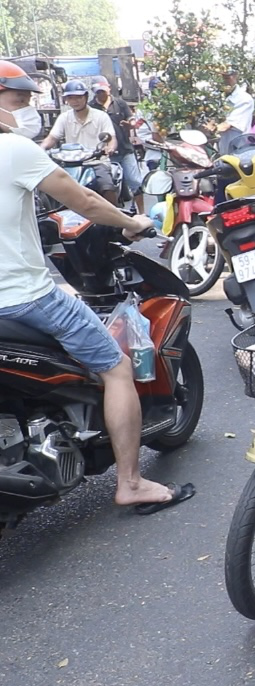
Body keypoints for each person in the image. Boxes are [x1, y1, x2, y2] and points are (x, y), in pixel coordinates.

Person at [0, 65, 195, 514]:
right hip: (27, 298)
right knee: (116, 368)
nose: (29, 107)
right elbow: (83, 201)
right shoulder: (13, 149)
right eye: (19, 99)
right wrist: (133, 222)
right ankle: (131, 482)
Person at [40, 80, 120, 204]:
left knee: (107, 186)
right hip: (70, 164)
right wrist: (41, 148)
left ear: (86, 97)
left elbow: (111, 138)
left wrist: (109, 148)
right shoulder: (64, 117)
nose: (74, 101)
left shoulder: (100, 116)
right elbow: (52, 137)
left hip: (96, 161)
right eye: (70, 98)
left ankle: (115, 219)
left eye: (78, 97)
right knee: (49, 187)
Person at [89, 76, 143, 212]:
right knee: (106, 186)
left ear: (109, 89)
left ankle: (142, 213)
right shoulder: (91, 108)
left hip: (125, 150)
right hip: (104, 154)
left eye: (103, 90)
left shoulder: (120, 103)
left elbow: (131, 119)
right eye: (98, 91)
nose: (101, 94)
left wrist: (130, 125)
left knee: (135, 182)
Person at [217, 68, 255, 134]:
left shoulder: (244, 99)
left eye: (227, 77)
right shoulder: (215, 97)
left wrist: (209, 129)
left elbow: (227, 125)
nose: (224, 80)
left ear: (236, 76)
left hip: (237, 142)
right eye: (222, 77)